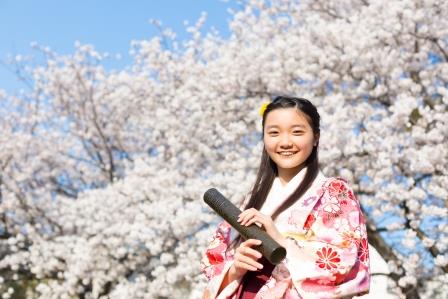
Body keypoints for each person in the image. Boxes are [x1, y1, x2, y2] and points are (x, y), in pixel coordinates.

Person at [201, 96, 370, 299]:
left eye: (297, 132)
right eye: (274, 133)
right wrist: (234, 269)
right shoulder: (249, 202)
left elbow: (343, 265)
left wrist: (280, 242)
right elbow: (213, 262)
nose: (285, 142)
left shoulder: (335, 193)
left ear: (316, 137)